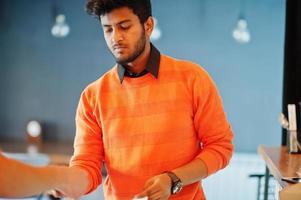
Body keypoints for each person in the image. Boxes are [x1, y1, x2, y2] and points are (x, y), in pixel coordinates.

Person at [0, 0, 234, 199]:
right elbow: (88, 168)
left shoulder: (192, 78)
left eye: (124, 26)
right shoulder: (93, 96)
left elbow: (220, 147)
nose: (116, 38)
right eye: (108, 29)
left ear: (148, 25)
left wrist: (173, 179)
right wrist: (65, 182)